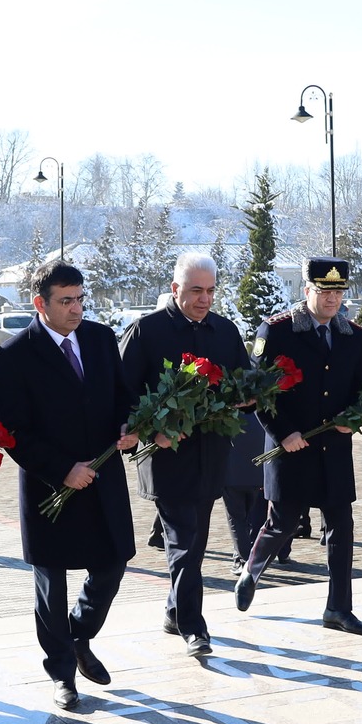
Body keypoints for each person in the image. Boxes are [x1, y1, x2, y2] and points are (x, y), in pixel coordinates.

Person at [0, 262, 140, 711]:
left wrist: (130, 426)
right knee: (50, 585)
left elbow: (123, 397)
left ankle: (78, 636)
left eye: (80, 299)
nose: (77, 309)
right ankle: (61, 672)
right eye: (66, 301)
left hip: (102, 476)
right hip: (49, 487)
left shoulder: (100, 338)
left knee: (113, 563)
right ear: (40, 303)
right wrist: (61, 470)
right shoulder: (14, 354)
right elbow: (12, 431)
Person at [118, 251, 250, 657]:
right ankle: (194, 625)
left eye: (210, 291)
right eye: (195, 290)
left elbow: (242, 383)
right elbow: (121, 393)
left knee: (195, 540)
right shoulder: (146, 331)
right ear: (175, 289)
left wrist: (248, 397)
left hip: (210, 455)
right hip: (165, 456)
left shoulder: (225, 331)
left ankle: (175, 612)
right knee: (183, 539)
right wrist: (149, 430)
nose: (204, 299)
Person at [234, 257, 362, 634]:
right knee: (283, 523)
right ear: (307, 290)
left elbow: (361, 389)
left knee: (341, 527)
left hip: (334, 448)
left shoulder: (353, 335)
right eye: (325, 292)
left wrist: (354, 417)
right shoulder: (277, 330)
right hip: (291, 448)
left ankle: (338, 608)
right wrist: (283, 432)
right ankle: (251, 570)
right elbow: (259, 390)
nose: (332, 300)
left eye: (338, 293)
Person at [220, 420, 266, 572]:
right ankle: (242, 556)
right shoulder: (259, 414)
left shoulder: (227, 416)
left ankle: (244, 559)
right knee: (247, 518)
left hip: (232, 474)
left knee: (237, 519)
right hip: (255, 473)